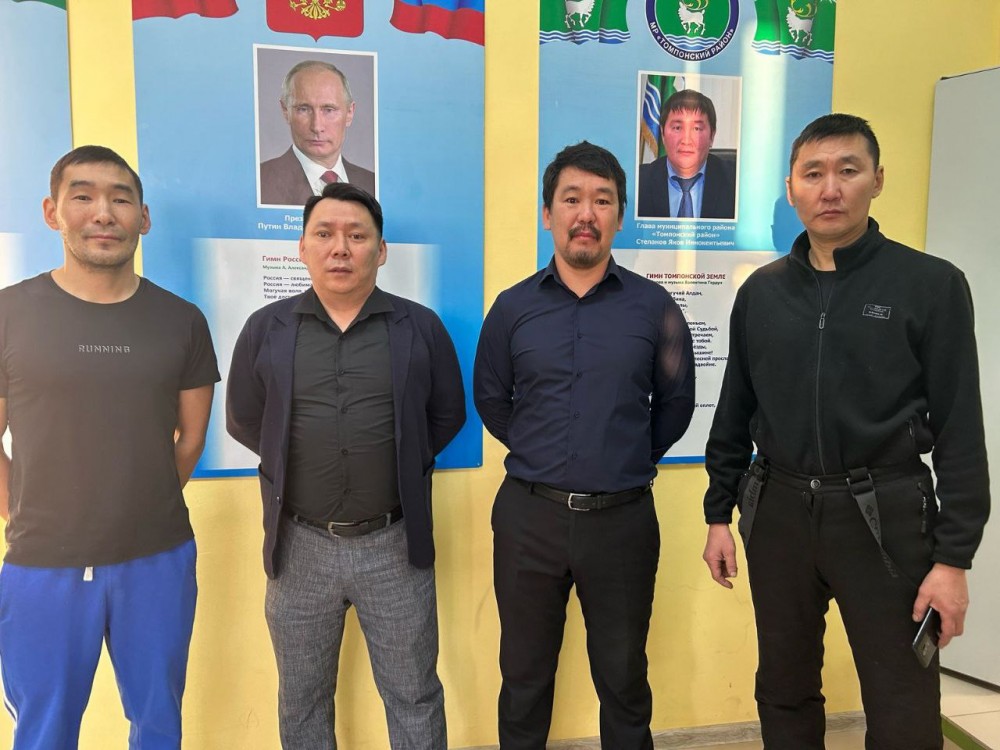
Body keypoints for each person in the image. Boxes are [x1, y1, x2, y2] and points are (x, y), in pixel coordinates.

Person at [702, 113, 990, 749]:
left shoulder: (931, 285)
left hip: (883, 514)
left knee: (902, 699)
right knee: (783, 685)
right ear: (791, 189)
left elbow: (961, 432)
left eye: (848, 170)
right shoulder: (762, 293)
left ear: (877, 180)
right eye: (813, 174)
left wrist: (953, 559)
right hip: (778, 512)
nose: (829, 189)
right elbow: (734, 409)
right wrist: (719, 512)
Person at [226, 182, 465, 749]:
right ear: (302, 248)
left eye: (357, 236)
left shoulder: (419, 327)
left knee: (414, 694)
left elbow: (446, 414)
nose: (340, 248)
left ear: (380, 251)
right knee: (302, 700)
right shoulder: (266, 328)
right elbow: (245, 418)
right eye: (325, 234)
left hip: (394, 543)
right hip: (299, 545)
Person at [474, 141, 695, 749]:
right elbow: (492, 399)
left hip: (621, 521)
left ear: (619, 216)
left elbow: (675, 405)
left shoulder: (655, 307)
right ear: (548, 213)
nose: (586, 214)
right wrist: (544, 452)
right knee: (523, 678)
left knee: (623, 680)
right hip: (529, 518)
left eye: (602, 200)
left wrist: (620, 456)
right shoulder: (512, 308)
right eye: (572, 199)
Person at [0, 145, 219, 749]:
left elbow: (191, 437)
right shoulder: (9, 313)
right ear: (52, 212)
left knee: (158, 723)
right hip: (42, 562)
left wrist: (141, 501)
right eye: (84, 196)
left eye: (121, 199)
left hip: (157, 557)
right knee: (43, 730)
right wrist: (20, 510)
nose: (103, 212)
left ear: (143, 218)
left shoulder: (182, 321)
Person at [259, 60, 376, 205]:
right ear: (285, 111)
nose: (316, 126)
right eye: (303, 109)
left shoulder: (373, 184)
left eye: (329, 110)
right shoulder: (260, 181)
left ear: (349, 113)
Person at [637, 89, 736, 219]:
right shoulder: (638, 182)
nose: (686, 140)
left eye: (697, 129)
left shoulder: (736, 182)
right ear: (663, 133)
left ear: (712, 136)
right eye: (677, 128)